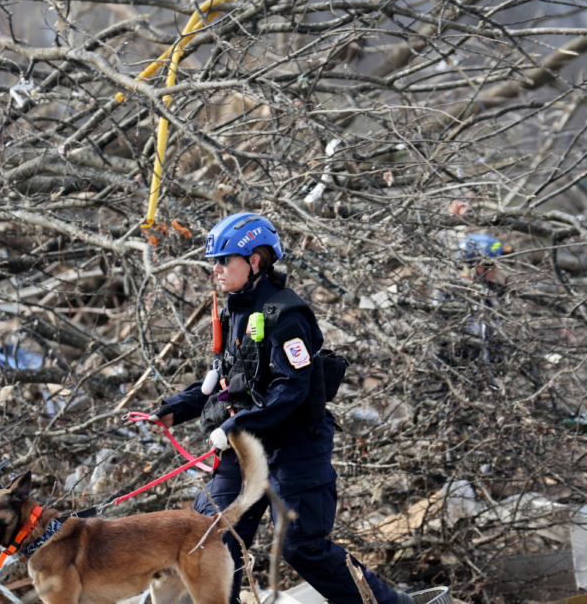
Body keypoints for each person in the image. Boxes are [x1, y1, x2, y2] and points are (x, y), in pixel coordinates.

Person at [151, 213, 413, 604]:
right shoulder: (233, 310)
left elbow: (291, 389)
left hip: (294, 450)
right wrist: (174, 409)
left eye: (225, 261)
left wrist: (236, 426)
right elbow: (226, 381)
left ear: (255, 261)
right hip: (242, 449)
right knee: (212, 539)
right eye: (214, 263)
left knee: (299, 546)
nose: (216, 271)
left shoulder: (287, 317)